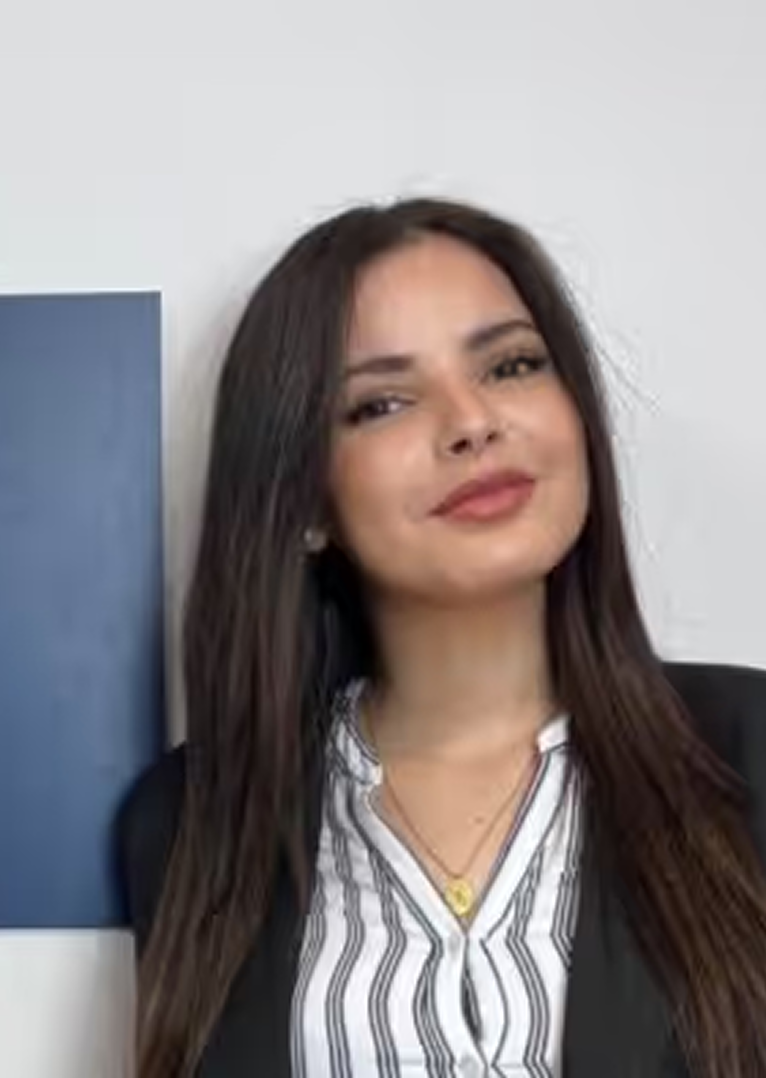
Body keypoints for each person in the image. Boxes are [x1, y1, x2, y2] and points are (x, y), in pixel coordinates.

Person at [117, 197, 766, 1078]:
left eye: (511, 366)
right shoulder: (190, 821)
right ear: (303, 501)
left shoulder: (746, 749)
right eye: (382, 403)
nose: (471, 422)